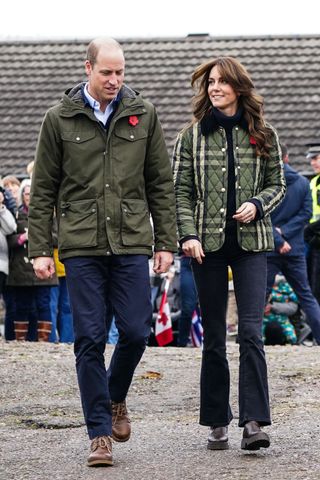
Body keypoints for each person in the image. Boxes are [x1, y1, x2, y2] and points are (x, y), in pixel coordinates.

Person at [28, 37, 177, 467]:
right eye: (107, 72)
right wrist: (41, 248)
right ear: (87, 68)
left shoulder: (143, 115)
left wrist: (165, 241)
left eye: (121, 72)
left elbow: (160, 185)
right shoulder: (59, 119)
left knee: (135, 331)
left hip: (130, 239)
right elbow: (43, 192)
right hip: (80, 244)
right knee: (89, 338)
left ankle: (115, 398)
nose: (115, 80)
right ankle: (99, 434)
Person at [173, 56, 286, 451]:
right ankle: (217, 421)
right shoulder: (191, 137)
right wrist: (187, 234)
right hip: (207, 248)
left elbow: (279, 184)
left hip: (252, 245)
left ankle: (253, 422)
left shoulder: (264, 134)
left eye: (222, 82)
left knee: (251, 333)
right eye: (210, 83)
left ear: (239, 87)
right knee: (215, 337)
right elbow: (180, 192)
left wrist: (258, 203)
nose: (214, 88)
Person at [266, 144, 320, 344]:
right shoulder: (303, 183)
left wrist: (278, 238)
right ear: (287, 158)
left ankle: (247, 341)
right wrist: (286, 234)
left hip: (270, 249)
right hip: (295, 249)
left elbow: (260, 216)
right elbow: (306, 213)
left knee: (259, 297)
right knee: (306, 296)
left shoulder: (263, 183)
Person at [7, 181, 57, 341]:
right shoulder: (15, 215)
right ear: (22, 196)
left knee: (43, 305)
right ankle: (21, 341)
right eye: (27, 193)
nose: (29, 197)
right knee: (22, 305)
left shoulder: (49, 215)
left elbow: (57, 237)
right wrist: (22, 238)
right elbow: (7, 240)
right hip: (20, 269)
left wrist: (39, 238)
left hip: (42, 265)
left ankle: (43, 341)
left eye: (32, 193)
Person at [304, 144, 320, 306]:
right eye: (311, 160)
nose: (313, 163)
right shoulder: (313, 181)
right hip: (314, 240)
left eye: (316, 158)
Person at [263, 275, 298, 345]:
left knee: (292, 338)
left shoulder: (287, 287)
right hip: (262, 321)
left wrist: (272, 307)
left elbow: (294, 307)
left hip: (282, 320)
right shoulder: (259, 283)